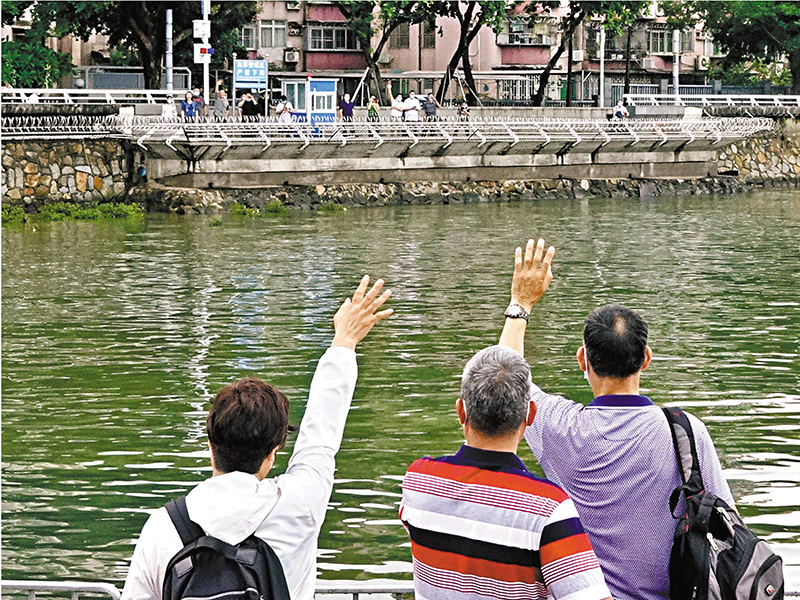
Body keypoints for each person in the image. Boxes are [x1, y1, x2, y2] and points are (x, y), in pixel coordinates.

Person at [122, 275, 393, 600]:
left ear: (210, 446)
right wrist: (344, 341)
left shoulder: (164, 526)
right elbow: (321, 432)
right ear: (272, 454)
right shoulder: (298, 505)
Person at [497, 241, 734, 600]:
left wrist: (521, 303)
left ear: (582, 360)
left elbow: (509, 377)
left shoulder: (562, 429)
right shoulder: (686, 432)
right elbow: (727, 525)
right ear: (646, 358)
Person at [400, 239, 612, 600]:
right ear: (530, 415)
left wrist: (520, 305)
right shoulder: (549, 509)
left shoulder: (420, 482)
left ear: (461, 411)